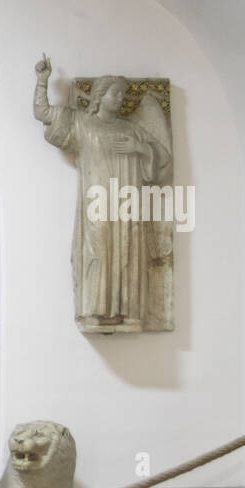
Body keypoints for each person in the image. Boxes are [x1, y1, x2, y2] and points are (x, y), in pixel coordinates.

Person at [33, 55, 170, 333]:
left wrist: (140, 149)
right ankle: (94, 312)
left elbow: (160, 165)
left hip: (127, 207)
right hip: (96, 206)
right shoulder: (82, 123)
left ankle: (130, 313)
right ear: (99, 95)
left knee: (129, 252)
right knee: (98, 250)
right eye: (115, 92)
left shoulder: (131, 130)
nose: (119, 98)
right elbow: (43, 113)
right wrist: (42, 80)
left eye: (122, 94)